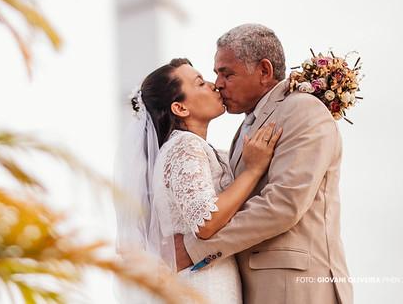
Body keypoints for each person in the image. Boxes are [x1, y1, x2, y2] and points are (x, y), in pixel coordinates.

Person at [178, 24, 353, 304]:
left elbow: (284, 204)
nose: (219, 84)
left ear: (264, 71)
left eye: (227, 73)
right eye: (216, 74)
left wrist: (196, 249)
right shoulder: (246, 126)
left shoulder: (302, 110)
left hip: (296, 288)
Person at [116, 58, 282, 304]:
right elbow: (206, 221)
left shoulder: (192, 148)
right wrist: (253, 170)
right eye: (200, 83)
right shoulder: (184, 146)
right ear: (180, 108)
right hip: (203, 285)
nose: (214, 86)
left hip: (205, 279)